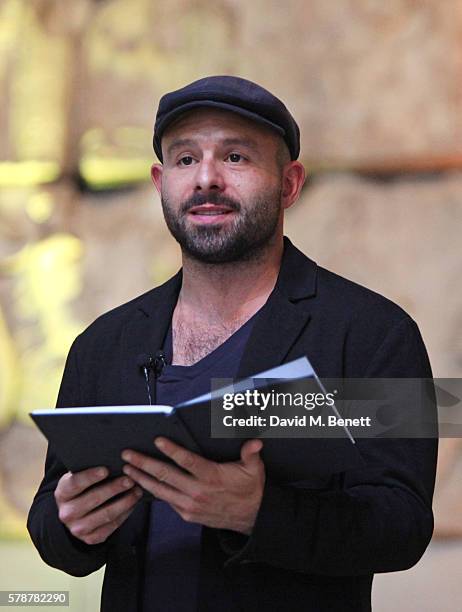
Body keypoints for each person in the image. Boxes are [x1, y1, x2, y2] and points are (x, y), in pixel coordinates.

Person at [27, 76, 438, 612]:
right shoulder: (102, 344)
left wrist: (258, 513)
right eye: (184, 159)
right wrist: (71, 525)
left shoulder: (372, 332)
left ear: (289, 184)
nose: (206, 179)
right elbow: (52, 522)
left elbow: (403, 525)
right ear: (159, 182)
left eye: (236, 157)